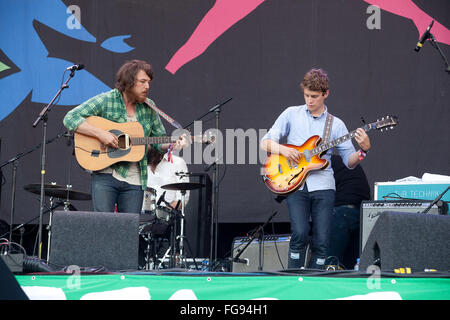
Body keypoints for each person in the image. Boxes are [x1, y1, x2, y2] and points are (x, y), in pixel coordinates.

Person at [260, 68, 371, 269]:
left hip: (324, 185)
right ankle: (293, 277)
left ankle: (316, 282)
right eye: (306, 95)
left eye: (314, 96)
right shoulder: (291, 114)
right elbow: (265, 142)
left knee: (322, 240)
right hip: (295, 183)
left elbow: (349, 161)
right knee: (300, 232)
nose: (309, 101)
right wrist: (284, 150)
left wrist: (363, 151)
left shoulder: (336, 124)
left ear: (325, 94)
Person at [63, 59, 187, 213]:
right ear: (128, 82)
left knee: (128, 230)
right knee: (103, 225)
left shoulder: (149, 106)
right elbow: (70, 118)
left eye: (149, 82)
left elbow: (158, 140)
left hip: (135, 179)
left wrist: (171, 144)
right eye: (142, 82)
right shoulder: (107, 99)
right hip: (106, 174)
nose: (147, 86)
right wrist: (101, 134)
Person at [328, 154, 371, 269]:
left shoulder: (321, 164)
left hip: (340, 213)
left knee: (326, 266)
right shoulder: (341, 160)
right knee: (350, 267)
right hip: (363, 214)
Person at [145, 147, 190, 211]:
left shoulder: (177, 162)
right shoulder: (140, 165)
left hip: (168, 216)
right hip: (143, 216)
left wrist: (164, 212)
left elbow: (182, 198)